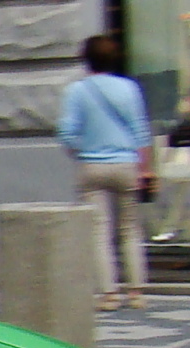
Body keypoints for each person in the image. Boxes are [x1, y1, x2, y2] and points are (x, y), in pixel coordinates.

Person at [57, 33, 154, 312]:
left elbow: (66, 132)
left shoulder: (76, 91)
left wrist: (81, 151)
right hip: (126, 164)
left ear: (86, 60)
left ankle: (109, 294)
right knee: (130, 230)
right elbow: (141, 131)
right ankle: (136, 292)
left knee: (99, 232)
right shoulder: (129, 88)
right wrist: (145, 168)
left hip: (92, 166)